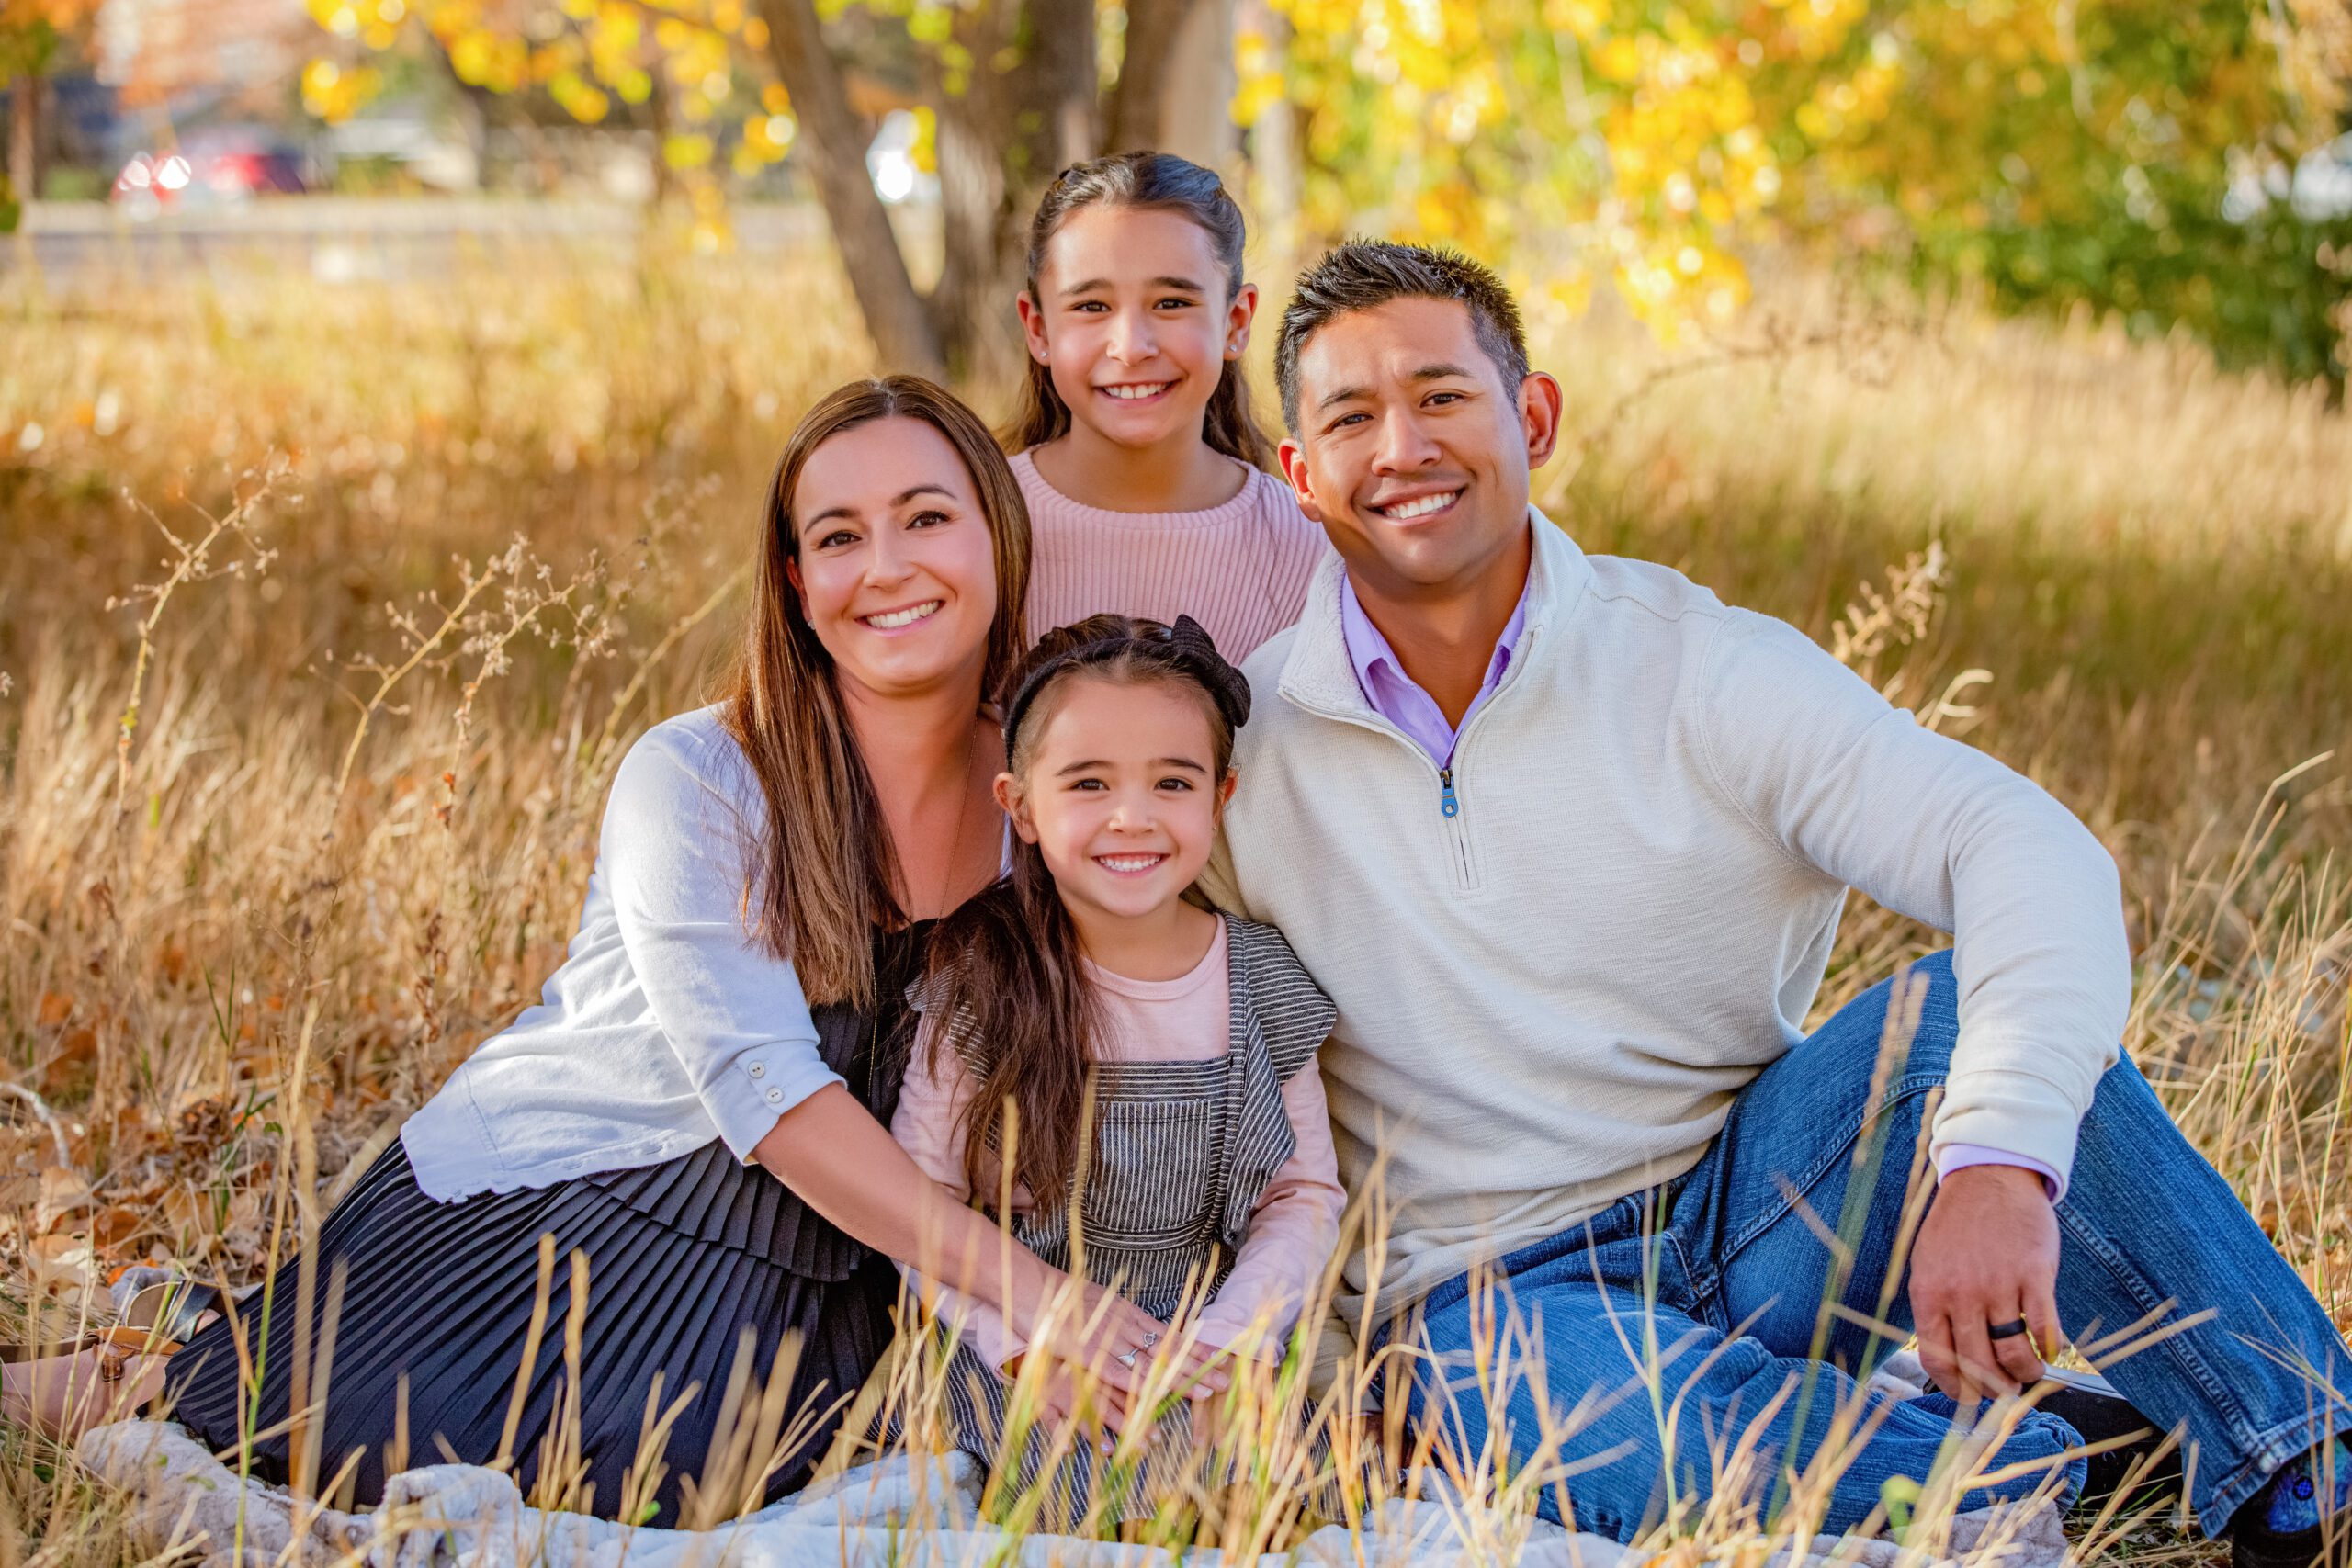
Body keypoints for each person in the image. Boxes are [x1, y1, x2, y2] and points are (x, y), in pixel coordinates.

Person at [1204, 240, 2352, 1566]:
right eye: (1349, 415)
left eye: (1441, 394)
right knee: (1656, 1439)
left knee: (1954, 1020)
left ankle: (2302, 1468)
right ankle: (2047, 1452)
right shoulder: (1252, 744)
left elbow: (2025, 843)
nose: (1400, 443)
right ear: (1300, 476)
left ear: (1535, 416)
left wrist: (1997, 1154)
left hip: (1758, 1201)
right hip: (1491, 1302)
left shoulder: (1696, 662)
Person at [5, 376, 1220, 1521]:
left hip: (831, 1273)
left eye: (926, 517)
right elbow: (769, 1095)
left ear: (1000, 544)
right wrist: (1030, 1290)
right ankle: (123, 1375)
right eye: (840, 536)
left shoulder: (1049, 789)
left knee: (718, 1484)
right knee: (282, 1428)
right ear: (796, 582)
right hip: (569, 1217)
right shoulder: (698, 776)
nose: (886, 567)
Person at [892, 614, 1343, 1527]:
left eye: (1170, 783)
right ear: (1018, 803)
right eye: (1087, 783)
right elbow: (915, 1205)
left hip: (1202, 1330)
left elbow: (1303, 1196)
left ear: (1220, 797)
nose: (1131, 816)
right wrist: (1021, 1349)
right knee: (1086, 1499)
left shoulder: (1262, 981)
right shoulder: (982, 984)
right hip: (1021, 1337)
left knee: (1293, 1494)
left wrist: (1234, 1347)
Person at [1005, 152, 1329, 662]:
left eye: (1172, 303)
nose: (1131, 347)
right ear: (1039, 329)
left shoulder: (1306, 548)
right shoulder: (979, 528)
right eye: (1092, 307)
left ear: (1236, 321)